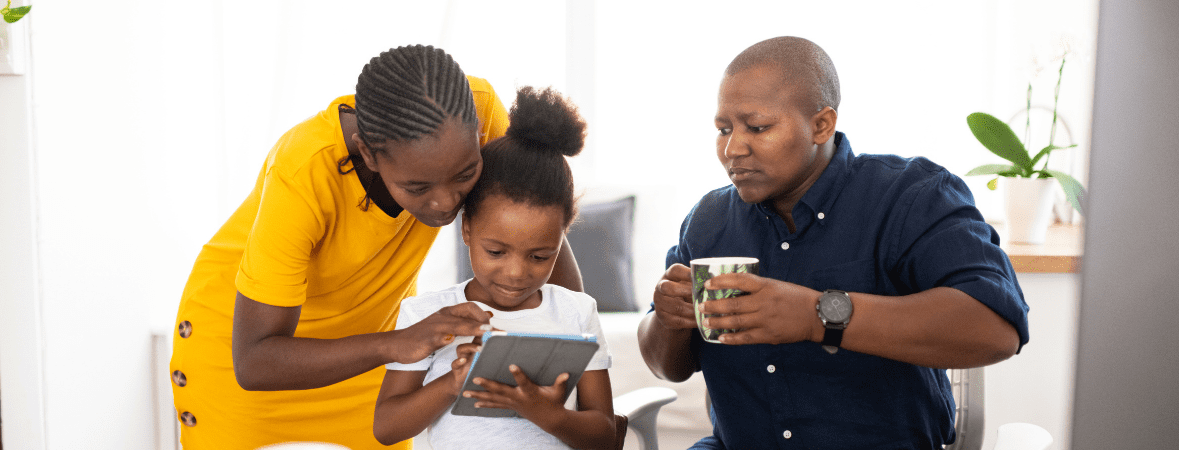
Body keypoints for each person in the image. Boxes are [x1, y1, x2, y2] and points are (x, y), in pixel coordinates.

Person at [169, 45, 584, 449]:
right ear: (368, 154)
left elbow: (541, 224)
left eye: (465, 173)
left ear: (477, 132)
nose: (446, 203)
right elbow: (254, 361)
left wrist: (559, 344)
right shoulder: (303, 171)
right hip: (254, 369)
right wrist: (397, 342)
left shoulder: (476, 111)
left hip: (372, 364)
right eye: (417, 187)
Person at [638, 36, 1030, 450]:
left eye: (757, 127)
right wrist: (668, 319)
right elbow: (668, 367)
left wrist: (817, 315)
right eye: (723, 130)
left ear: (821, 125)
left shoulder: (910, 196)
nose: (732, 148)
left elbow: (995, 327)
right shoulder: (709, 221)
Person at [374, 86, 617, 450]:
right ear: (467, 229)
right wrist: (453, 383)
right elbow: (387, 427)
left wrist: (544, 412)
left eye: (540, 256)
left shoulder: (576, 312)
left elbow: (604, 436)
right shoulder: (427, 315)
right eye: (496, 252)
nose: (517, 273)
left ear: (562, 239)